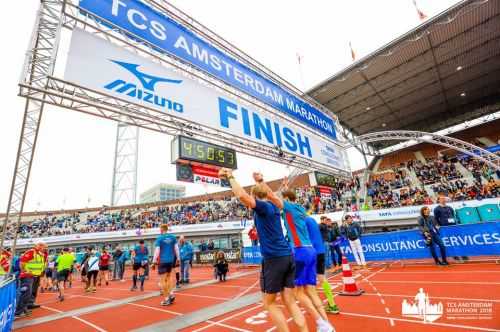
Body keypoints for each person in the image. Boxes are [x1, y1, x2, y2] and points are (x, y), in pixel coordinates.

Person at [219, 168, 308, 332]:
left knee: (269, 303)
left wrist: (230, 176)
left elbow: (242, 197)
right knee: (289, 301)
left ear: (256, 196)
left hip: (274, 259)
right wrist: (260, 181)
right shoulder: (275, 206)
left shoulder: (264, 207)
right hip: (287, 256)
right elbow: (270, 194)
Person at [279, 180, 334, 332]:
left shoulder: (289, 211)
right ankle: (326, 323)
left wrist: (261, 183)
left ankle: (321, 323)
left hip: (300, 251)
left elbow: (277, 199)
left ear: (288, 200)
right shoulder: (302, 212)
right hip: (313, 252)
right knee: (312, 290)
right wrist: (286, 188)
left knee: (298, 293)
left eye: (284, 199)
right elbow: (290, 199)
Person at [304, 216, 339, 314]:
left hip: (312, 252)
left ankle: (315, 305)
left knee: (309, 280)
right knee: (322, 278)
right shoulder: (313, 221)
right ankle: (332, 305)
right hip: (321, 251)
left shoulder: (302, 221)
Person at [15, 242, 47, 318]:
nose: (46, 249)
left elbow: (42, 264)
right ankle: (18, 312)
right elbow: (22, 262)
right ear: (39, 246)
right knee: (26, 293)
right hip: (28, 276)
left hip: (36, 275)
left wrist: (41, 272)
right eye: (44, 247)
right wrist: (24, 271)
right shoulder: (31, 252)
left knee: (33, 292)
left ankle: (28, 305)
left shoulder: (42, 254)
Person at [152, 224, 179, 306]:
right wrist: (178, 258)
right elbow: (176, 248)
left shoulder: (159, 238)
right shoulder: (173, 237)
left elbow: (157, 251)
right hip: (171, 261)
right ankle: (171, 293)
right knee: (169, 278)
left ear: (161, 229)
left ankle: (167, 299)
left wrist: (153, 261)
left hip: (163, 261)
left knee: (162, 280)